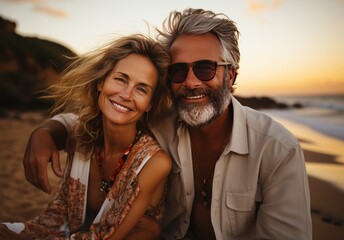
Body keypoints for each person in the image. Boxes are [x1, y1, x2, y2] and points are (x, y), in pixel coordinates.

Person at [21, 8, 312, 239]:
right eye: (178, 71)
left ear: (231, 76)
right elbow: (94, 121)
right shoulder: (158, 122)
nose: (191, 82)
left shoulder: (276, 150)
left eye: (205, 68)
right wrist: (46, 132)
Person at [0, 34, 172, 239]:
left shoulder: (154, 163)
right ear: (101, 82)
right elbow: (66, 122)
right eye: (120, 79)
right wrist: (41, 133)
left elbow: (103, 237)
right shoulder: (83, 135)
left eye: (141, 89)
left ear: (150, 105)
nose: (126, 95)